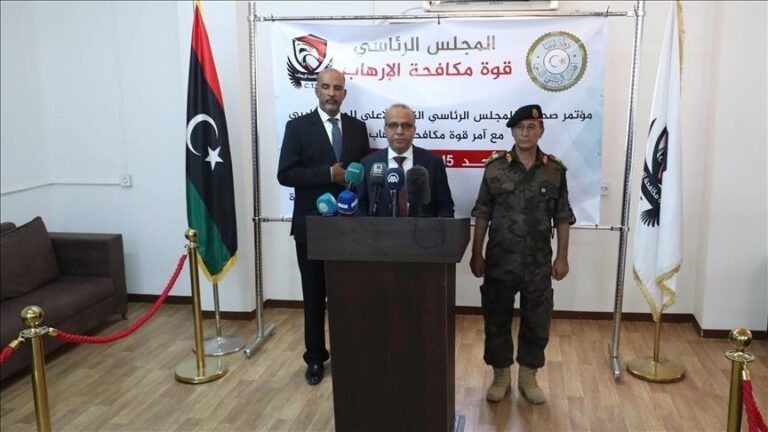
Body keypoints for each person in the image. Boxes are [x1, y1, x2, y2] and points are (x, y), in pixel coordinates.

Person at [469, 104, 576, 404]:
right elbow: (482, 212)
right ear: (512, 131)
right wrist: (476, 253)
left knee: (537, 320)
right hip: (500, 260)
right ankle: (501, 375)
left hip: (538, 263)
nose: (525, 133)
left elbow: (563, 216)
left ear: (541, 130)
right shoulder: (495, 168)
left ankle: (529, 376)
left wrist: (562, 257)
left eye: (531, 127)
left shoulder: (555, 170)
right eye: (519, 128)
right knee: (496, 318)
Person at [277, 68, 370, 385]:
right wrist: (329, 174)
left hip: (350, 227)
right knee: (314, 296)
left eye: (338, 88)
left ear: (344, 93)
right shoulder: (297, 127)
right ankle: (315, 358)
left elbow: (363, 174)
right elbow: (285, 174)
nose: (332, 93)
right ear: (316, 90)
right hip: (311, 227)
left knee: (349, 296)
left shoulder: (358, 128)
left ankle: (350, 354)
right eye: (326, 87)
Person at [357, 103, 455, 218]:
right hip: (379, 229)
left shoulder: (434, 163)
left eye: (406, 125)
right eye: (393, 125)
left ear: (414, 130)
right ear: (385, 130)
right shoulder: (368, 164)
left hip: (422, 229)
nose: (399, 131)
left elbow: (445, 207)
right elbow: (360, 208)